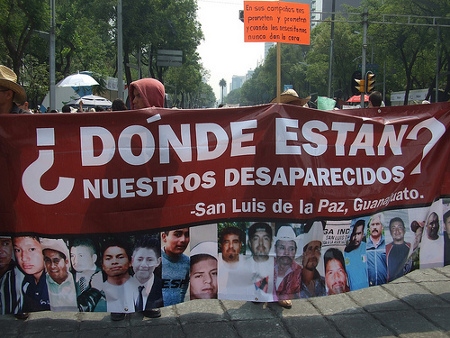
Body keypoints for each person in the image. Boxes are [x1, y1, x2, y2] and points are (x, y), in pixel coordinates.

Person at [101, 238, 139, 321]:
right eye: (108, 258)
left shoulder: (142, 287)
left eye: (120, 257)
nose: (114, 262)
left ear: (130, 261)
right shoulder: (99, 293)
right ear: (102, 265)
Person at [12, 236, 50, 312]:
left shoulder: (56, 282)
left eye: (32, 249)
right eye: (18, 250)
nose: (24, 258)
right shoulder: (26, 282)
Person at [41, 238, 78, 311]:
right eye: (48, 260)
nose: (52, 266)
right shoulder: (41, 283)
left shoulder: (77, 282)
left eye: (56, 261)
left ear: (66, 261)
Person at [131, 234, 163, 318]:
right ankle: (119, 310)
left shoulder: (162, 286)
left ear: (158, 261)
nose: (144, 265)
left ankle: (150, 307)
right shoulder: (120, 285)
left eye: (150, 260)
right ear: (132, 260)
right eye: (139, 259)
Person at [70, 238, 105, 312]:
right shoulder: (67, 279)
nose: (75, 261)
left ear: (94, 258)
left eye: (81, 256)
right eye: (72, 256)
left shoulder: (107, 277)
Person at [273, 225, 302, 308]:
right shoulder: (267, 266)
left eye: (291, 249)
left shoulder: (298, 271)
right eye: (282, 248)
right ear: (275, 249)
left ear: (295, 251)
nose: (286, 253)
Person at [245, 222, 274, 302]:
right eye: (256, 239)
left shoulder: (279, 266)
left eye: (265, 239)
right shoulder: (243, 266)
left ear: (271, 242)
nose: (261, 243)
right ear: (250, 243)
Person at [161, 228, 190, 306]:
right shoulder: (153, 260)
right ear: (164, 237)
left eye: (187, 235)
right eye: (177, 234)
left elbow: (183, 289)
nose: (183, 240)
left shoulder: (188, 262)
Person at [217, 226, 246, 300]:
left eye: (235, 242)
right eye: (226, 242)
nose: (231, 246)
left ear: (240, 245)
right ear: (221, 245)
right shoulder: (212, 262)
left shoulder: (248, 263)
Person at [300, 221, 326, 298]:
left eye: (317, 249)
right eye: (310, 249)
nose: (313, 254)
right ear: (303, 253)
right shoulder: (291, 282)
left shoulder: (324, 283)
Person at [344, 219, 369, 290]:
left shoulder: (368, 248)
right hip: (354, 295)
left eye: (358, 234)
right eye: (353, 234)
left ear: (362, 233)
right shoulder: (344, 252)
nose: (355, 238)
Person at [386, 217, 411, 281]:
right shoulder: (385, 249)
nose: (397, 231)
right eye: (393, 228)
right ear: (390, 232)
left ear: (404, 230)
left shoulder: (411, 247)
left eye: (399, 227)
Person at [366, 213, 387, 286]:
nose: (374, 227)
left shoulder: (388, 244)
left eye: (377, 224)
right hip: (368, 288)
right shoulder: (363, 246)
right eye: (372, 224)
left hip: (386, 286)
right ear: (369, 228)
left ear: (382, 227)